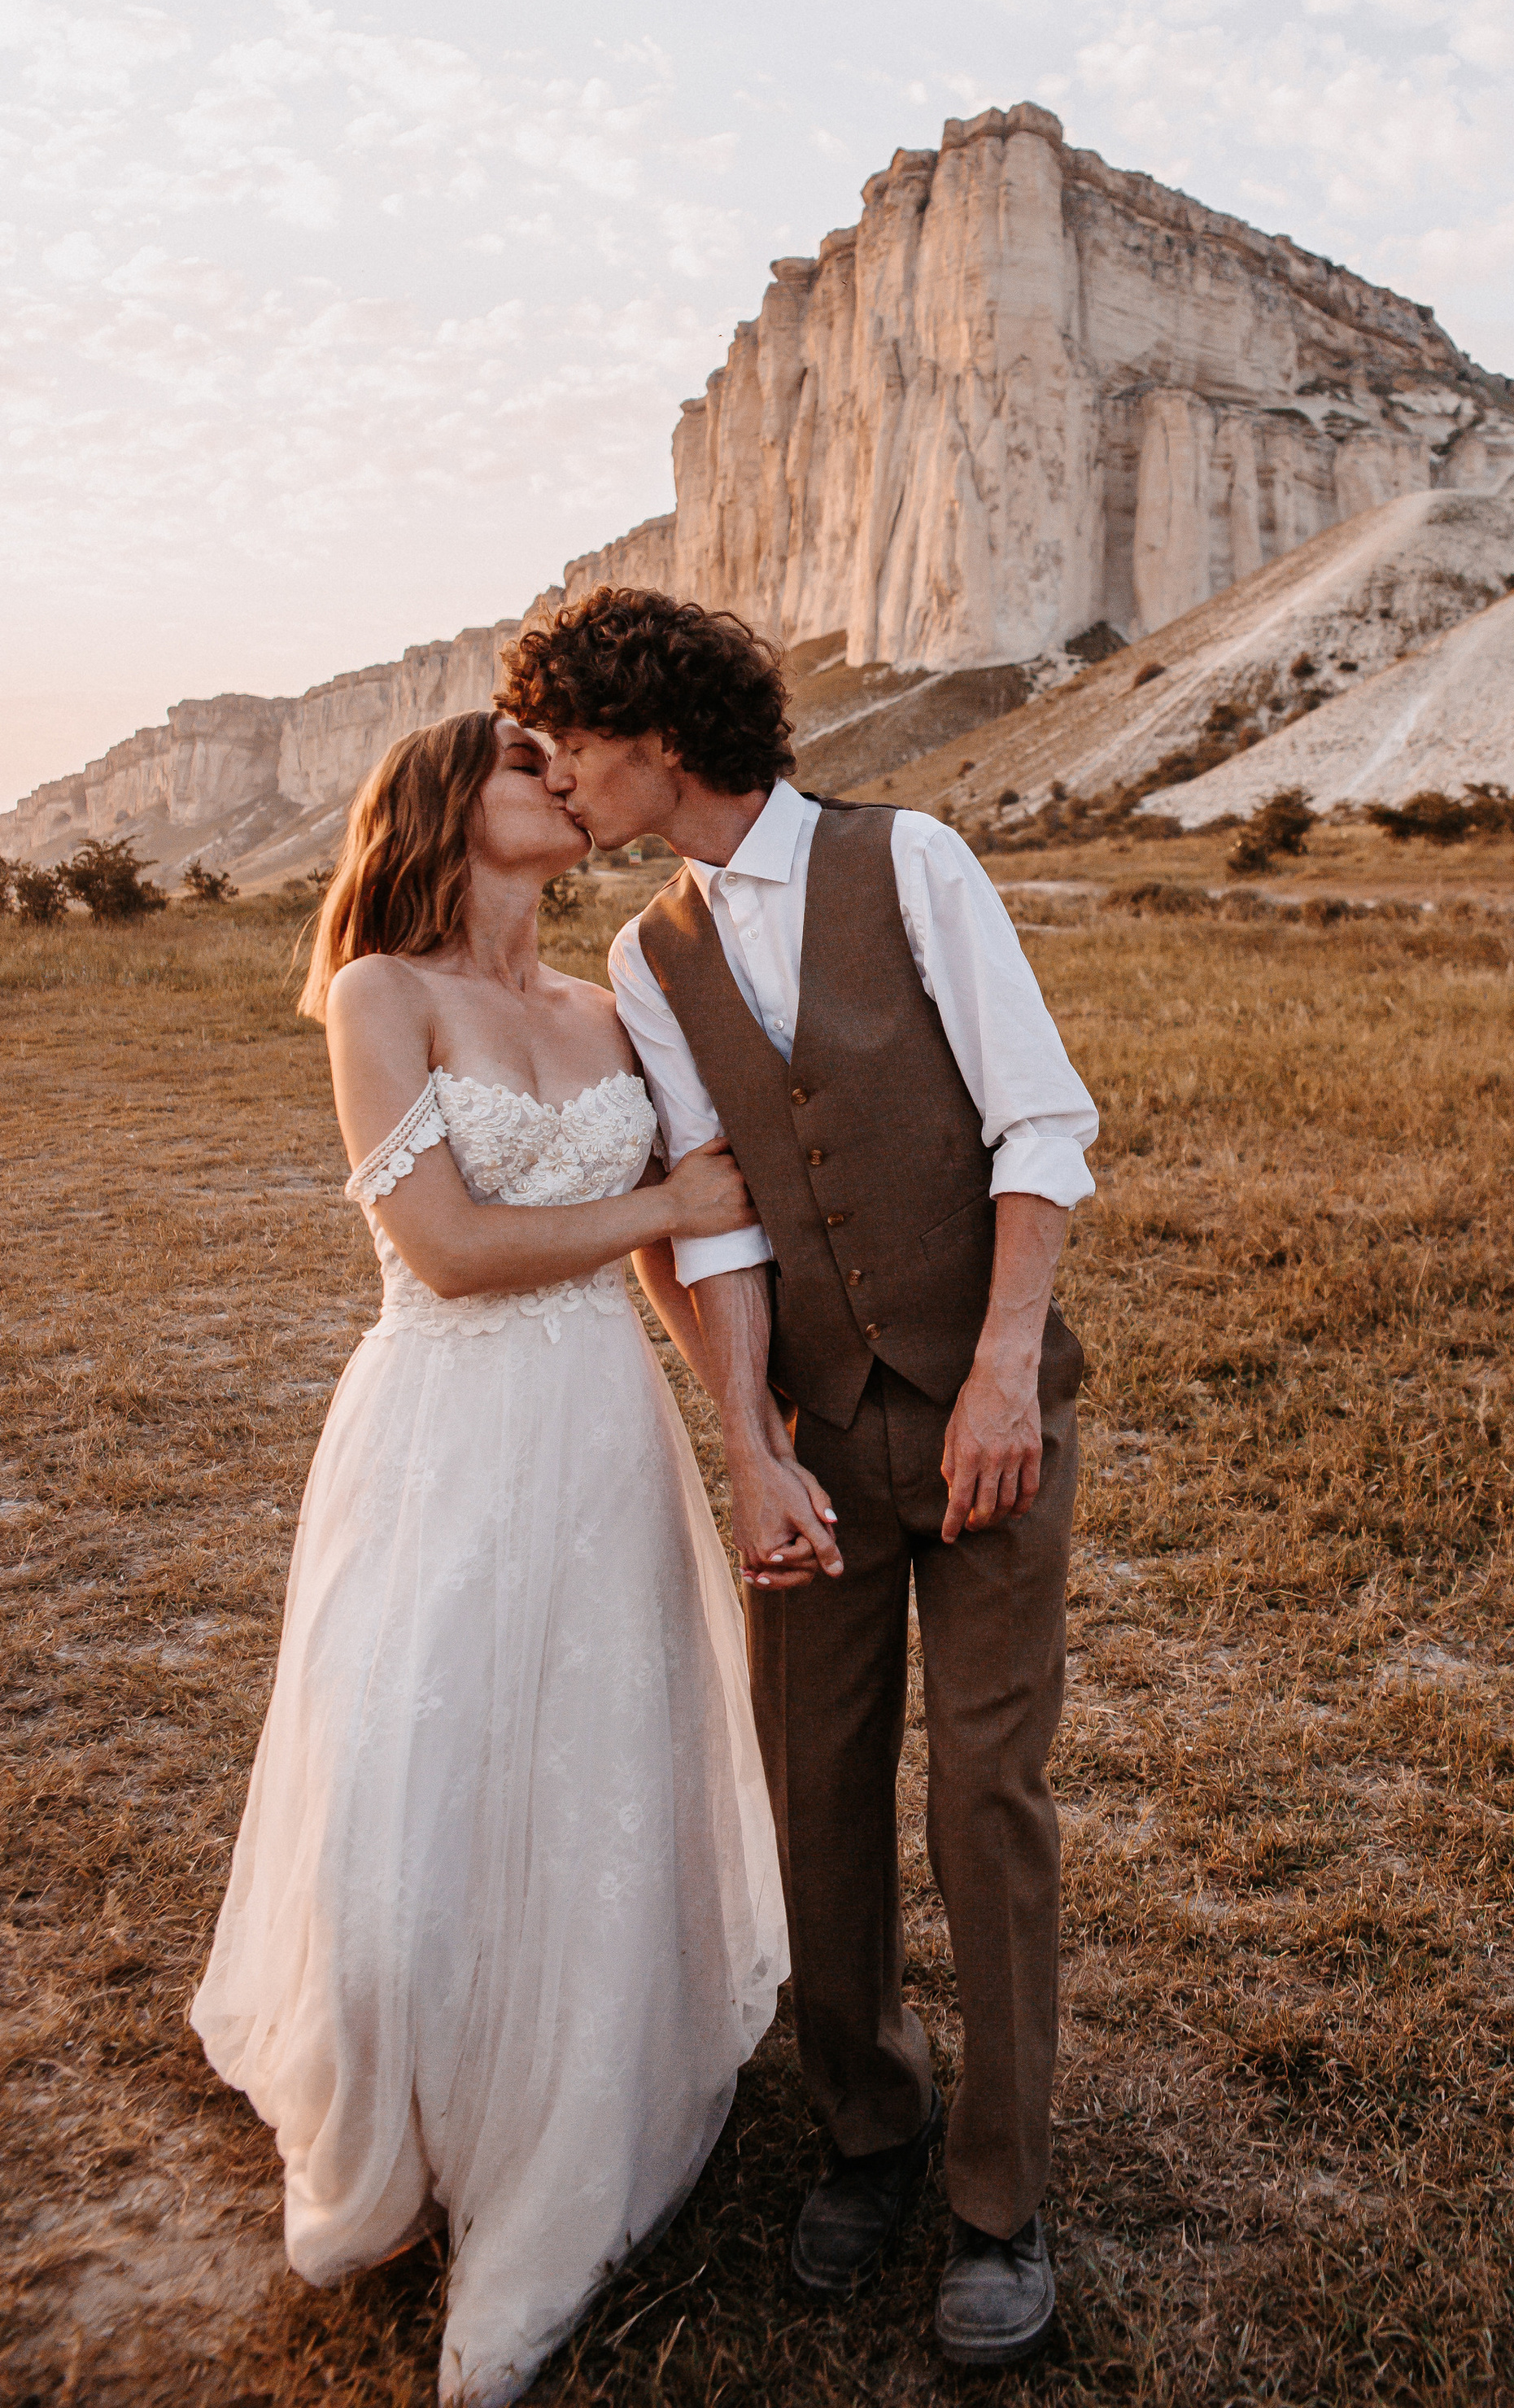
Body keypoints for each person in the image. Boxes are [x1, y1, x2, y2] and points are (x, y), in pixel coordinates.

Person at [496, 587, 1098, 2372]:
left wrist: (1001, 1374)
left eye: (569, 743)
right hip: (819, 1433)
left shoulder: (910, 864)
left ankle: (1000, 2196)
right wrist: (749, 1445)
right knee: (808, 1787)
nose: (557, 778)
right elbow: (724, 1218)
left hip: (988, 1404)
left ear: (653, 736)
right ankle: (868, 2123)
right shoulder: (645, 959)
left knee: (983, 1797)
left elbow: (1038, 1121)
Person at [191, 710, 818, 2407]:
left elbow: (697, 1254)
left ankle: (559, 2142)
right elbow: (452, 1247)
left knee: (589, 1771)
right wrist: (661, 1210)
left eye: (566, 771)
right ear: (442, 805)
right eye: (527, 767)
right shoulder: (382, 996)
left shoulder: (606, 1009)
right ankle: (397, 2114)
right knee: (416, 1781)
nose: (565, 785)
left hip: (601, 1435)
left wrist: (747, 1438)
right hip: (443, 1436)